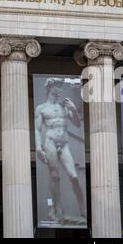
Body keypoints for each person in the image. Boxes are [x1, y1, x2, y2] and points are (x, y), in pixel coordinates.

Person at [35, 78, 86, 223]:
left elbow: (77, 124)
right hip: (50, 142)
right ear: (51, 87)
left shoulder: (64, 107)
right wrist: (38, 147)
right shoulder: (42, 108)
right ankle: (57, 208)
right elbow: (38, 130)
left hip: (64, 144)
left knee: (73, 176)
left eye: (61, 86)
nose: (61, 89)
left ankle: (83, 208)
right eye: (58, 86)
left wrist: (74, 110)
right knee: (54, 176)